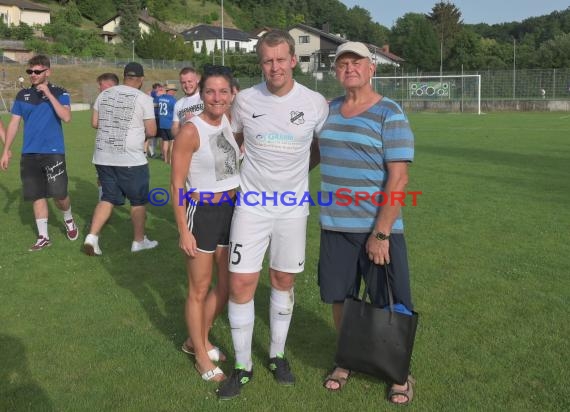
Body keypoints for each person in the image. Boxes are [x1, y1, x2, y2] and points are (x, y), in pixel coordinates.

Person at [216, 30, 328, 399]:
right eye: (268, 60)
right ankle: (243, 365)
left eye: (281, 59)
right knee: (241, 285)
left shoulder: (315, 103)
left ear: (294, 60)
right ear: (260, 63)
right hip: (251, 207)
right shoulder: (245, 100)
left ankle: (278, 355)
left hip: (293, 209)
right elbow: (228, 146)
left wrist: (295, 177)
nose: (275, 66)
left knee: (283, 280)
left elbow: (319, 148)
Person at [317, 42, 416, 405]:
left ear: (371, 68)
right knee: (341, 298)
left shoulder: (389, 112)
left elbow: (399, 178)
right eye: (342, 63)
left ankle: (398, 373)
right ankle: (345, 361)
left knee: (388, 301)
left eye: (356, 62)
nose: (349, 68)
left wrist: (381, 233)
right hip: (334, 226)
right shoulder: (326, 110)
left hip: (377, 228)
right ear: (336, 71)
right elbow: (307, 155)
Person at [171, 65, 240, 382]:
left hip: (231, 211)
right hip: (201, 214)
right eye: (210, 91)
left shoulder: (228, 120)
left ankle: (196, 338)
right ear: (201, 94)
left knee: (225, 286)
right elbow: (177, 184)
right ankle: (200, 355)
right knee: (199, 289)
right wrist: (183, 229)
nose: (217, 97)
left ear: (231, 94)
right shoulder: (190, 130)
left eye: (223, 91)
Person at [0, 54, 78, 251]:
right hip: (29, 154)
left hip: (53, 152)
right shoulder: (22, 96)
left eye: (37, 71)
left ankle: (68, 219)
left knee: (60, 194)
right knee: (37, 195)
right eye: (30, 71)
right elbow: (14, 124)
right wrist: (6, 150)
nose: (32, 75)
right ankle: (44, 236)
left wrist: (49, 95)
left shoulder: (60, 92)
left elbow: (67, 117)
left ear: (47, 72)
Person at [83, 62, 158, 256]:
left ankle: (92, 237)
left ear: (124, 77)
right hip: (130, 159)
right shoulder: (143, 98)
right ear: (141, 80)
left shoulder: (104, 94)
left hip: (102, 156)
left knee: (107, 197)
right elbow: (151, 130)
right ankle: (139, 241)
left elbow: (94, 123)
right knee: (138, 201)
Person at [94, 73, 119, 201]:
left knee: (102, 177)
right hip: (122, 146)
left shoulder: (101, 98)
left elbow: (94, 123)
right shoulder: (126, 98)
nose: (99, 88)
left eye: (101, 84)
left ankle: (103, 203)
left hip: (104, 147)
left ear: (109, 84)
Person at [171, 67, 203, 137]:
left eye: (189, 81)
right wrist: (184, 131)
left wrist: (195, 121)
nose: (187, 85)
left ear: (197, 80)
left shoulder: (205, 98)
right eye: (183, 82)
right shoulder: (178, 104)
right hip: (187, 145)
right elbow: (174, 128)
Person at [157, 83, 178, 164]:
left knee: (165, 141)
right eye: (174, 90)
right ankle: (170, 160)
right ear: (170, 91)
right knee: (172, 141)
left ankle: (165, 159)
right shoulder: (173, 100)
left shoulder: (161, 98)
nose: (174, 92)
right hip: (169, 123)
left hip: (161, 123)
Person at [146, 82, 164, 158]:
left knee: (158, 137)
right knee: (153, 137)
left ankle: (157, 152)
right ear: (156, 88)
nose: (161, 89)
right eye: (159, 87)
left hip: (159, 118)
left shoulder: (157, 94)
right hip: (154, 118)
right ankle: (152, 152)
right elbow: (149, 95)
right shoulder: (153, 93)